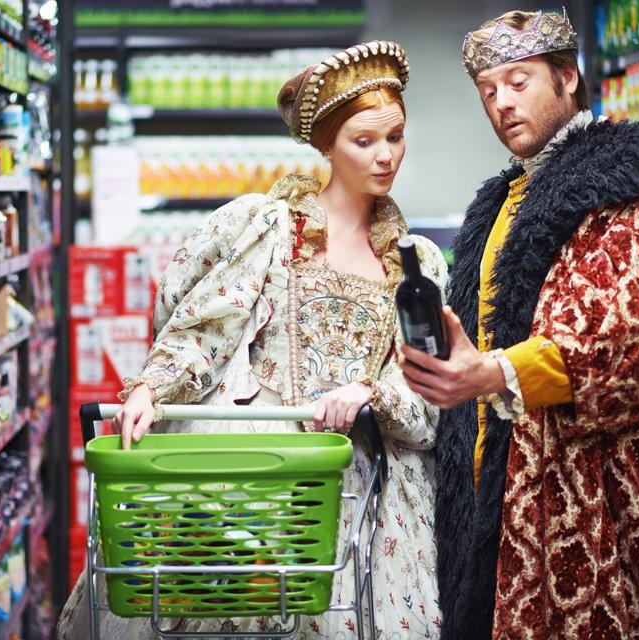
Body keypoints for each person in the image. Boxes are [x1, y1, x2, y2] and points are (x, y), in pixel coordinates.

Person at [58, 41, 446, 639]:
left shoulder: (416, 262)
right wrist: (150, 389)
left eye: (394, 136)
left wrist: (371, 392)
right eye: (363, 141)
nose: (385, 156)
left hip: (366, 488)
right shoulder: (270, 230)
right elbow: (206, 326)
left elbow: (424, 389)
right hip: (263, 478)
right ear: (327, 145)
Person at [398, 8, 639, 640]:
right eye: (488, 90)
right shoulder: (506, 200)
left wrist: (492, 372)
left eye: (519, 81)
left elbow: (634, 342)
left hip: (613, 516)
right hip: (519, 510)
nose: (501, 103)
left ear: (568, 76)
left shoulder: (626, 190)